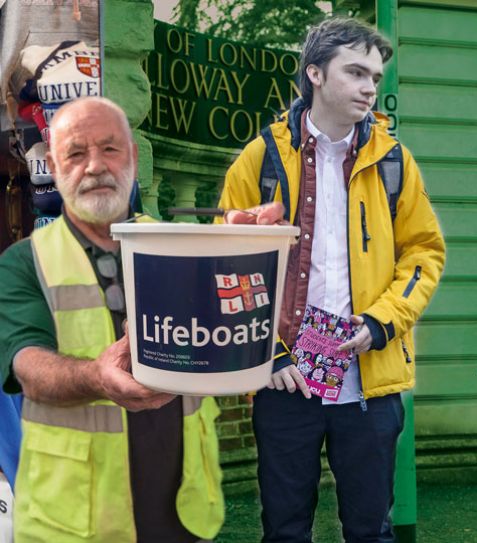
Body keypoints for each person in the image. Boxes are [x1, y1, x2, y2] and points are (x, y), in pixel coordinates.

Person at [217, 17, 446, 542]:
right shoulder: (262, 158)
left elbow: (424, 253)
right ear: (315, 74)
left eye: (376, 77)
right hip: (284, 376)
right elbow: (225, 262)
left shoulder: (394, 161)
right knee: (285, 529)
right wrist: (266, 352)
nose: (370, 87)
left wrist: (382, 321)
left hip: (370, 377)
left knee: (370, 529)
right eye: (357, 72)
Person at [0, 96, 224, 542]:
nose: (95, 166)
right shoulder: (23, 263)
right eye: (76, 153)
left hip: (186, 512)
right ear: (56, 168)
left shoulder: (185, 247)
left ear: (134, 157)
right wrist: (98, 378)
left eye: (110, 148)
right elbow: (25, 364)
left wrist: (251, 249)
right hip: (77, 521)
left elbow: (239, 331)